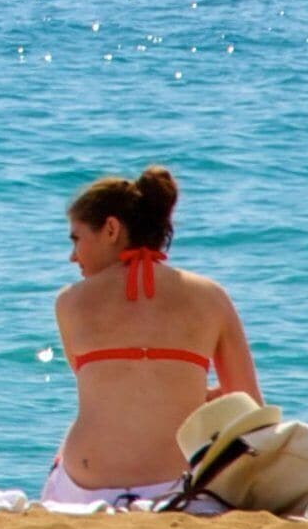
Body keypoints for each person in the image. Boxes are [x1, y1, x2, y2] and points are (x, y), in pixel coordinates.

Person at [48, 165, 258, 508]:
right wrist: (188, 392)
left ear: (111, 229)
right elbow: (248, 404)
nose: (72, 256)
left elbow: (111, 390)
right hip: (175, 487)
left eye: (76, 239)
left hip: (84, 486)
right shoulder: (211, 297)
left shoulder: (70, 302)